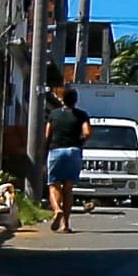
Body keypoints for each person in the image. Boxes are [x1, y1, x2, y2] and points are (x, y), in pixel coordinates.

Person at [40, 79, 89, 232]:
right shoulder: (81, 115)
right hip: (74, 152)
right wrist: (79, 142)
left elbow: (47, 135)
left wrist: (43, 153)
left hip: (56, 151)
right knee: (68, 188)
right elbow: (87, 132)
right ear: (76, 101)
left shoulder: (54, 115)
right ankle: (66, 225)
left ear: (62, 99)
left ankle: (56, 210)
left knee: (53, 185)